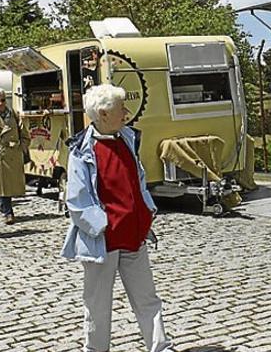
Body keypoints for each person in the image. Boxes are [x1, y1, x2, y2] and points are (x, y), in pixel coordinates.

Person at [61, 84, 174, 352]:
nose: (126, 113)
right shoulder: (81, 151)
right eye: (120, 109)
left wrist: (146, 212)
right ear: (102, 114)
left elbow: (139, 180)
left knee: (147, 298)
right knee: (98, 304)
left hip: (135, 235)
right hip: (103, 241)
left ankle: (161, 347)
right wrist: (105, 225)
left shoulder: (127, 138)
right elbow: (77, 201)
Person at [0, 88, 30, 225]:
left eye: (3, 100)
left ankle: (2, 205)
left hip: (13, 154)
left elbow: (24, 133)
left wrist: (23, 147)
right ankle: (7, 212)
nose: (0, 103)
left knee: (9, 186)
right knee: (2, 185)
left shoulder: (13, 115)